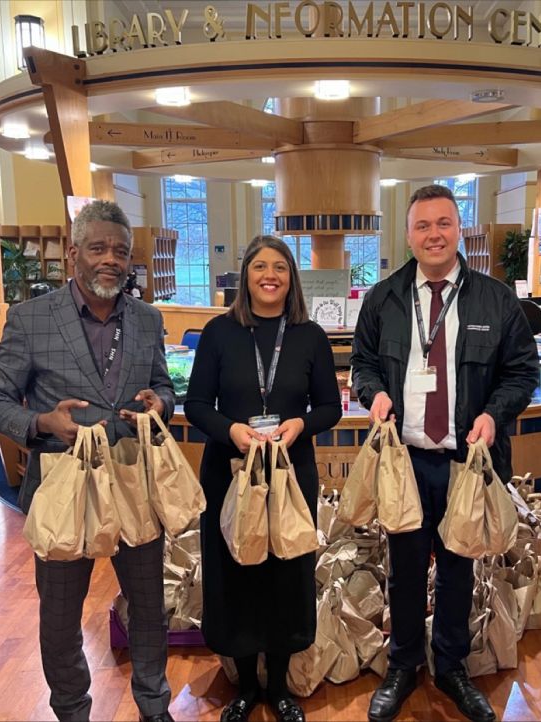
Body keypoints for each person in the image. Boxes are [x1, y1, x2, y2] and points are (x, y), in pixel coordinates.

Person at [351, 184, 540, 722]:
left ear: (459, 230)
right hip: (404, 462)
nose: (433, 234)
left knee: (459, 567)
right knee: (404, 567)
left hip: (467, 462)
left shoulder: (496, 300)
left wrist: (495, 413)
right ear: (408, 235)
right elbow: (362, 362)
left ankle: (452, 665)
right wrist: (374, 392)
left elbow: (521, 372)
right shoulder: (383, 298)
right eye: (422, 226)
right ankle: (405, 662)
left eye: (444, 223)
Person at [0, 199, 175, 722]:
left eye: (120, 250)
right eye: (98, 248)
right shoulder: (31, 319)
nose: (110, 258)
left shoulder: (148, 319)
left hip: (134, 482)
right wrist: (42, 423)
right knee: (61, 616)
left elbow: (161, 382)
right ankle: (71, 710)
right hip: (63, 484)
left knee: (149, 608)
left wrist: (162, 401)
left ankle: (154, 707)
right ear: (73, 255)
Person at [184, 235, 341, 722]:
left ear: (291, 277)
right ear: (245, 275)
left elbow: (331, 407)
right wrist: (231, 430)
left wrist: (300, 425)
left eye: (279, 267)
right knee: (237, 573)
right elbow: (194, 406)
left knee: (286, 574)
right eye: (259, 266)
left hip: (291, 475)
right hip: (229, 474)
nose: (269, 275)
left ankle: (280, 686)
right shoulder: (218, 333)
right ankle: (247, 685)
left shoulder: (310, 335)